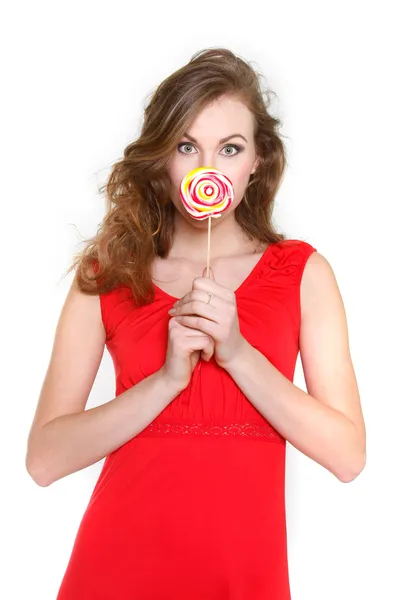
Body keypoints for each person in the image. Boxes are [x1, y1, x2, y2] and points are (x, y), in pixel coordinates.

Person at [25, 48, 366, 599]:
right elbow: (43, 461)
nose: (208, 168)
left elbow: (348, 456)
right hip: (115, 573)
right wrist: (166, 382)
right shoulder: (108, 273)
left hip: (243, 580)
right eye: (187, 147)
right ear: (162, 158)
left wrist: (237, 353)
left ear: (257, 161)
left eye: (230, 148)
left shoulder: (303, 273)